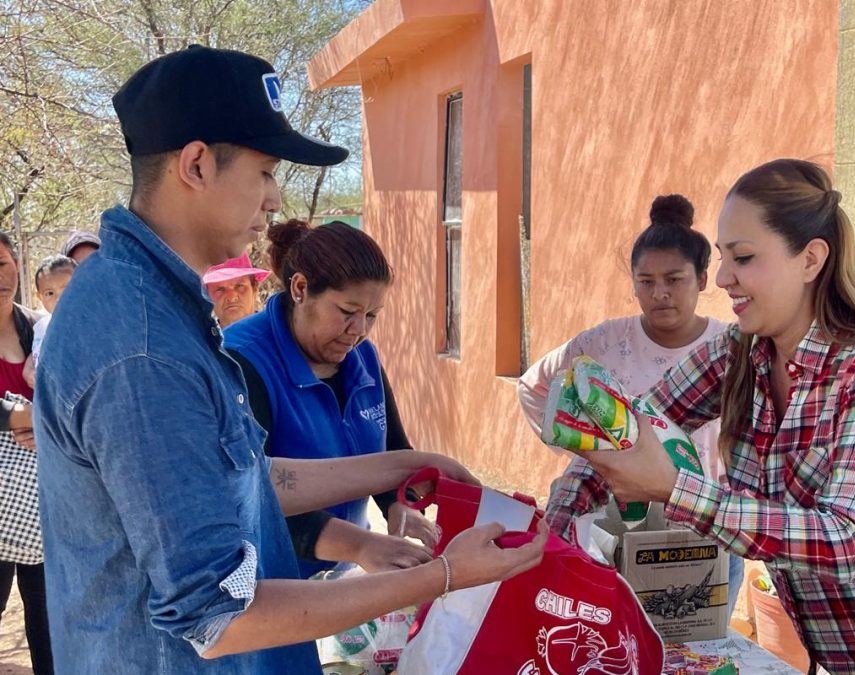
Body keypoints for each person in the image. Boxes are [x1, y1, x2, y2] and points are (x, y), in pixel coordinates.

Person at [34, 45, 545, 675]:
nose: (276, 200)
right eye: (266, 171)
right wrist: (445, 574)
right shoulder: (143, 350)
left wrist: (408, 463)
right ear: (196, 164)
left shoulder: (157, 304)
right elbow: (217, 618)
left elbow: (243, 478)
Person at [547, 159, 855, 674]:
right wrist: (551, 530)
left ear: (811, 259)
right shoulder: (739, 355)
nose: (722, 277)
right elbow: (631, 421)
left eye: (744, 257)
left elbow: (846, 539)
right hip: (852, 658)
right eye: (722, 257)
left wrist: (674, 489)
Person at [518, 193, 743, 617]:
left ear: (703, 278)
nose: (659, 294)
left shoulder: (730, 349)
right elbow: (534, 387)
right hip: (614, 529)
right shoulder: (602, 342)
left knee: (697, 648)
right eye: (646, 281)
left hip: (704, 530)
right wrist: (586, 454)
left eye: (674, 279)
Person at [225, 218, 437, 578]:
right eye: (347, 312)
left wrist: (398, 506)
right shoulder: (242, 362)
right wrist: (358, 545)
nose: (358, 331)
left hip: (347, 573)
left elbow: (390, 453)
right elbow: (248, 496)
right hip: (269, 584)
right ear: (300, 288)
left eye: (371, 316)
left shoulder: (362, 357)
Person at [0, 232, 51, 675]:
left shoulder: (39, 327)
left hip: (45, 505)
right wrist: (10, 415)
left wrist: (45, 421)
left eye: (2, 263)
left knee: (49, 625)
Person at [24, 255, 77, 389]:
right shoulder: (42, 326)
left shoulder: (84, 324)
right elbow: (35, 350)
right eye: (50, 293)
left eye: (67, 290)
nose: (59, 299)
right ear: (40, 297)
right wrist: (28, 370)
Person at [203, 253, 270, 328]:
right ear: (207, 296)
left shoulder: (277, 333)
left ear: (255, 288)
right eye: (220, 290)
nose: (231, 297)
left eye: (239, 286)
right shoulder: (199, 338)